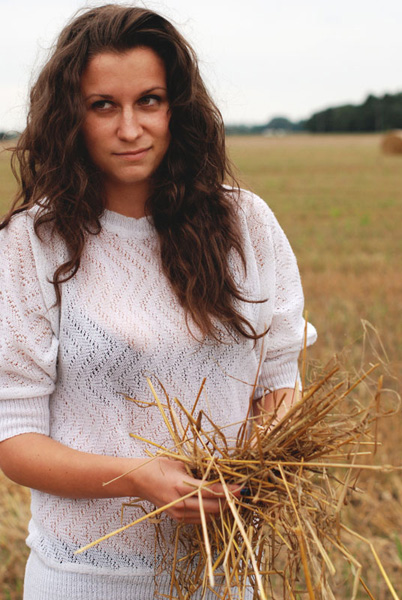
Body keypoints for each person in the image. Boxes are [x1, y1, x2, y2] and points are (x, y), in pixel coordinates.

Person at [0, 4, 316, 599]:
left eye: (149, 100)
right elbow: (16, 442)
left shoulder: (244, 223)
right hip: (88, 579)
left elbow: (281, 378)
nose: (129, 128)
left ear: (179, 109)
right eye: (103, 106)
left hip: (227, 571)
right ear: (70, 117)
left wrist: (246, 462)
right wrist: (139, 478)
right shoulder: (32, 244)